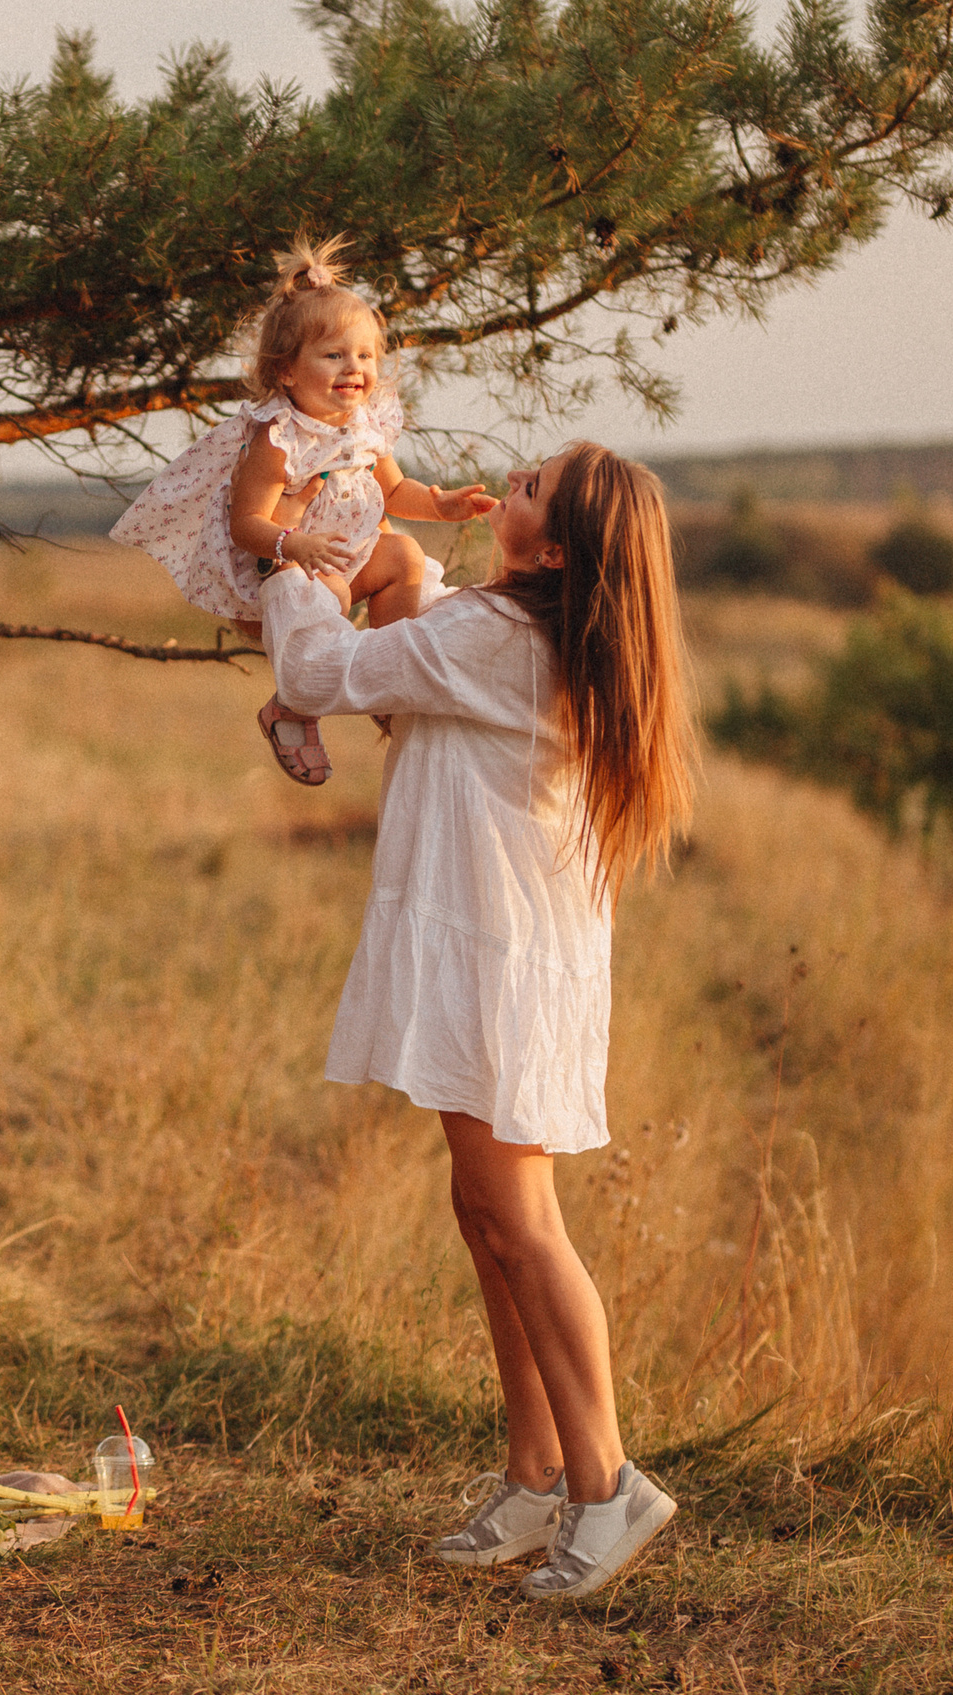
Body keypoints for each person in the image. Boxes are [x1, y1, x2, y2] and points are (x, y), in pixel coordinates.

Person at [257, 440, 700, 1599]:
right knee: (486, 1210)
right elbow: (415, 628)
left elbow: (315, 669)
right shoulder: (528, 634)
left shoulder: (494, 636)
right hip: (507, 947)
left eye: (530, 490)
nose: (509, 485)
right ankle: (535, 1473)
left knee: (519, 1220)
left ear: (555, 552)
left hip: (493, 956)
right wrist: (393, 564)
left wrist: (292, 561)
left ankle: (607, 1484)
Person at [110, 237, 495, 785]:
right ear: (286, 371)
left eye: (364, 355)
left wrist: (439, 504)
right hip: (282, 574)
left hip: (340, 556)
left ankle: (393, 677)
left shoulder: (366, 425)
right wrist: (294, 544)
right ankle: (292, 706)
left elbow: (393, 491)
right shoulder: (279, 439)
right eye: (334, 355)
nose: (354, 367)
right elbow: (246, 525)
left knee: (405, 554)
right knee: (328, 592)